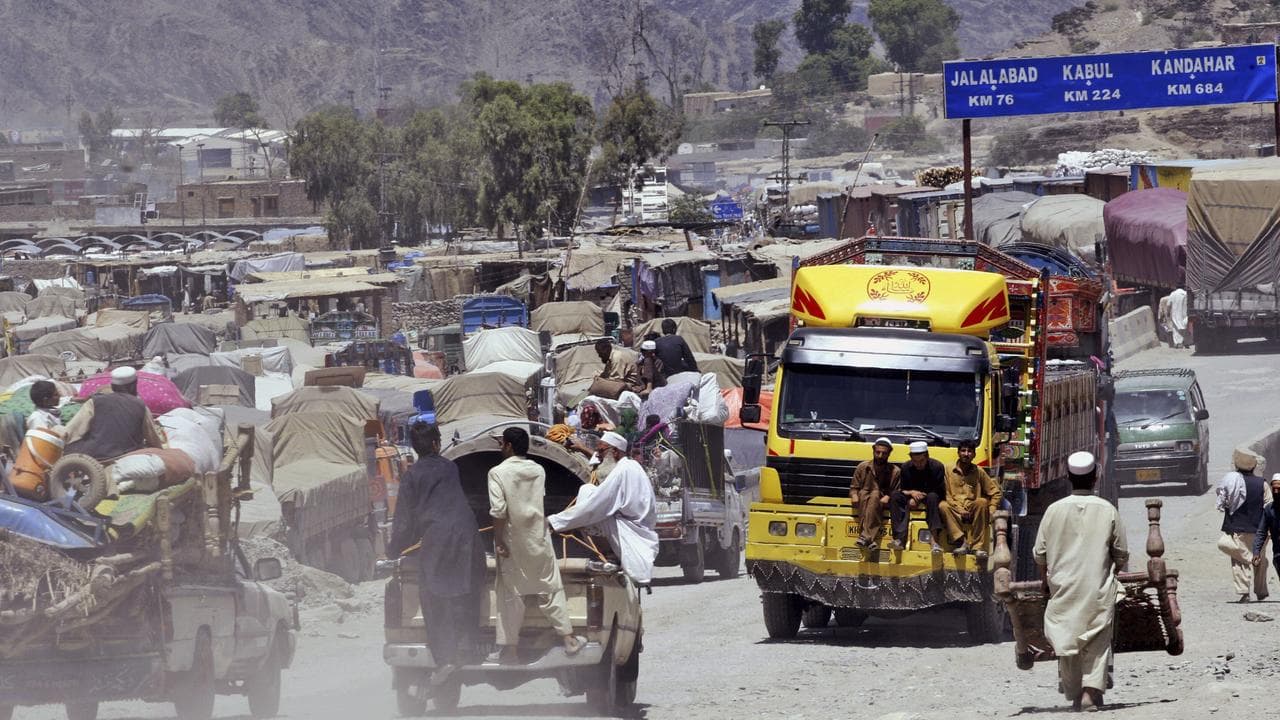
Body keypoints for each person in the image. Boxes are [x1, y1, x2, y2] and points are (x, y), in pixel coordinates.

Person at [385, 422, 485, 682]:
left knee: (432, 593)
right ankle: (467, 645)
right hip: (468, 532)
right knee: (468, 587)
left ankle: (446, 658)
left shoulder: (412, 475)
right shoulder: (450, 467)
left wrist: (393, 549)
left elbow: (405, 521)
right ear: (435, 444)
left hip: (437, 537)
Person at [1034, 451, 1128, 712]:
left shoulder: (1053, 511)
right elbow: (1121, 553)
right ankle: (1089, 693)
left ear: (1068, 478)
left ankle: (1076, 693)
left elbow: (1040, 555)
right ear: (1096, 478)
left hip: (1063, 589)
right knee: (1097, 642)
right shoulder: (1108, 510)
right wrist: (1110, 569)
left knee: (1068, 641)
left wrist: (1046, 581)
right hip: (1097, 589)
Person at [486, 427, 584, 663]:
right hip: (538, 539)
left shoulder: (497, 473)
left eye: (502, 444)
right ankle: (569, 639)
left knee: (511, 594)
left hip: (512, 541)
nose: (501, 448)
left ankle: (510, 650)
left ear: (508, 446)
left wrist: (498, 540)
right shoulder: (538, 470)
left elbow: (499, 511)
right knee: (550, 589)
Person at [549, 431, 659, 584]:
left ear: (614, 451)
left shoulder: (621, 472)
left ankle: (610, 557)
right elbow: (603, 462)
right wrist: (581, 449)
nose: (597, 455)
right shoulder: (629, 465)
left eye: (600, 451)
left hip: (630, 531)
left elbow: (594, 507)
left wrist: (554, 522)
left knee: (587, 493)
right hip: (635, 527)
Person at [63, 367, 164, 461]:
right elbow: (152, 437)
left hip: (94, 457)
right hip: (128, 456)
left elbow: (71, 431)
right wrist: (161, 452)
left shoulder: (94, 402)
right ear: (134, 385)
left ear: (113, 386)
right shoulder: (140, 405)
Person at [1216, 448, 1272, 602]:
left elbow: (1223, 501)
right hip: (1260, 529)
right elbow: (1269, 505)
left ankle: (1244, 592)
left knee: (1239, 560)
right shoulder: (1262, 484)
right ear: (1254, 466)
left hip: (1238, 528)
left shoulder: (1231, 482)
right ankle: (1261, 591)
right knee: (1260, 558)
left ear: (1236, 465)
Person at [942, 439, 1004, 558]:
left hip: (971, 508)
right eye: (963, 451)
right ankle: (961, 541)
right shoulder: (947, 470)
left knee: (982, 502)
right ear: (958, 453)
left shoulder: (979, 472)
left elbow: (995, 492)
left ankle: (977, 547)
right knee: (942, 506)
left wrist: (991, 509)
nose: (966, 454)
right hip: (954, 507)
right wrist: (960, 510)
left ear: (974, 455)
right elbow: (946, 495)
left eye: (970, 451)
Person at [890, 440, 945, 552]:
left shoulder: (937, 467)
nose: (918, 464)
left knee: (933, 497)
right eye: (915, 461)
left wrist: (919, 498)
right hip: (911, 494)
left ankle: (934, 540)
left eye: (921, 461)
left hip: (930, 495)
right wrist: (912, 493)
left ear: (927, 457)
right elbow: (903, 489)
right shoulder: (905, 467)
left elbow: (939, 490)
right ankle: (899, 539)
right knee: (895, 496)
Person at [849, 437, 900, 549]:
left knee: (875, 495)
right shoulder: (862, 467)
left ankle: (864, 536)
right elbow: (854, 487)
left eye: (884, 453)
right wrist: (854, 496)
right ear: (873, 450)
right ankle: (869, 540)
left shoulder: (895, 471)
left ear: (889, 453)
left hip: (881, 501)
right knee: (863, 494)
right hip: (863, 499)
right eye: (878, 452)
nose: (880, 456)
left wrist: (888, 496)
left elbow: (896, 491)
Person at [1252, 474, 1280, 588]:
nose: (1277, 492)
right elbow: (1261, 532)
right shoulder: (1269, 510)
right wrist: (1256, 552)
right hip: (1278, 554)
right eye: (1274, 489)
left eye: (1279, 488)